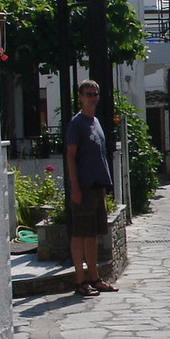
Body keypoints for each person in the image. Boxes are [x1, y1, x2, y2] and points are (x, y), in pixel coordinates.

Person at [65, 80, 118, 297]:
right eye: (88, 94)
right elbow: (70, 156)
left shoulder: (96, 121)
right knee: (80, 234)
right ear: (80, 96)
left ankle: (94, 278)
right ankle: (80, 281)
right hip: (83, 187)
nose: (93, 97)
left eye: (95, 94)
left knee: (93, 234)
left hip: (97, 187)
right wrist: (75, 187)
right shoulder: (76, 124)